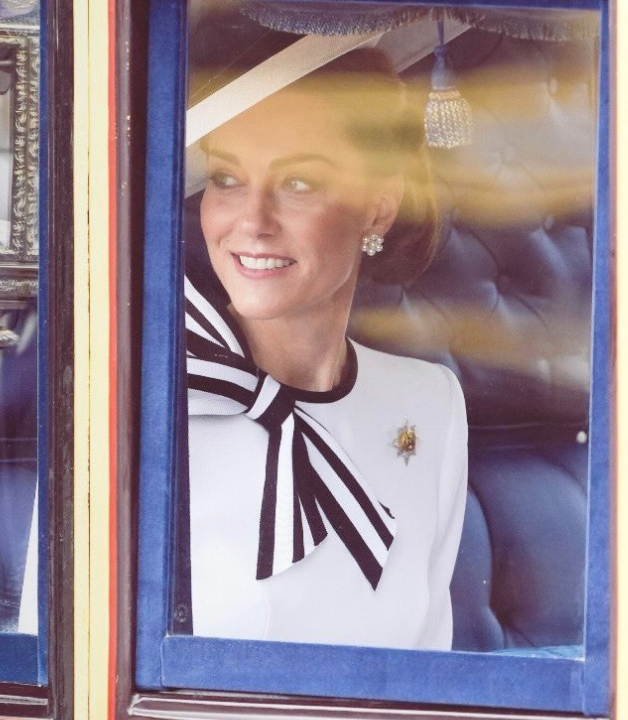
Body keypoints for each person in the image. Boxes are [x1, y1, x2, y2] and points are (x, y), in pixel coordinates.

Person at [182, 30, 468, 651]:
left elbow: (428, 663)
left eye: (299, 184)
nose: (251, 223)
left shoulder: (430, 404)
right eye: (226, 178)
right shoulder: (148, 408)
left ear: (378, 210)